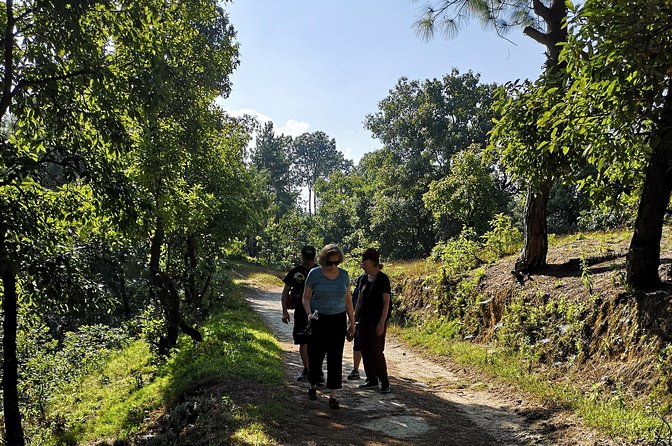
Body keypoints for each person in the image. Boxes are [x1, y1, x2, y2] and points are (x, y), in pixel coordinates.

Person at [302, 243, 356, 409]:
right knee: (316, 355)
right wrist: (309, 314)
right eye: (330, 262)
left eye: (336, 263)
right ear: (324, 261)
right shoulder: (314, 274)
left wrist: (352, 322)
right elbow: (306, 297)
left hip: (337, 320)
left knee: (335, 357)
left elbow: (348, 300)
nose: (333, 266)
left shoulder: (344, 275)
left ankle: (333, 395)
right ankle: (313, 385)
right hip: (319, 319)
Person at [355, 248, 392, 393]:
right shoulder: (363, 279)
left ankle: (384, 381)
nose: (362, 264)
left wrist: (381, 323)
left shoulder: (383, 279)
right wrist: (352, 319)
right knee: (365, 350)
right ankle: (371, 379)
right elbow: (359, 301)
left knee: (377, 352)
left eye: (364, 261)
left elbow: (386, 303)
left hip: (377, 321)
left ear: (372, 262)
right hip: (363, 321)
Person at [281, 245, 317, 382]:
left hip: (318, 312)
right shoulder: (295, 272)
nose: (308, 261)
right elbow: (285, 292)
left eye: (311, 258)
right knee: (303, 340)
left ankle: (316, 370)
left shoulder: (320, 271)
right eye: (306, 258)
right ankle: (307, 369)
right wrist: (284, 312)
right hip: (301, 312)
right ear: (302, 257)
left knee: (317, 342)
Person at [346, 272, 365, 380]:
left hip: (364, 319)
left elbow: (356, 303)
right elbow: (353, 303)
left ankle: (358, 370)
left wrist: (351, 320)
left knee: (362, 344)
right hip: (357, 318)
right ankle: (356, 369)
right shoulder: (361, 282)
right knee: (358, 344)